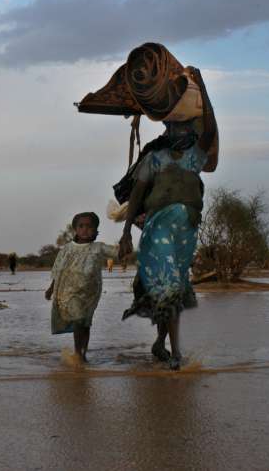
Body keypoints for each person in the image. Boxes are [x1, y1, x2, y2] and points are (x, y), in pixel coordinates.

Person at [118, 68, 218, 370]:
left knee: (168, 290)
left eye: (185, 124)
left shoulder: (195, 157)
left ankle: (161, 342)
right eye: (174, 126)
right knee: (171, 289)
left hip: (185, 234)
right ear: (166, 129)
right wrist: (125, 233)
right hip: (156, 231)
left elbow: (211, 131)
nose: (180, 130)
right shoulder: (154, 158)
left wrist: (202, 86)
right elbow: (136, 196)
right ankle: (176, 353)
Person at [45, 212, 115, 363]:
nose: (85, 229)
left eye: (89, 226)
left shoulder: (98, 247)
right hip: (69, 292)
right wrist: (51, 289)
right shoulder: (68, 249)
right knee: (78, 319)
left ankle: (83, 353)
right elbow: (58, 269)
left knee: (85, 323)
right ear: (75, 229)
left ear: (96, 230)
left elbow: (117, 252)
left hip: (89, 294)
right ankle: (77, 353)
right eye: (81, 226)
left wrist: (126, 239)